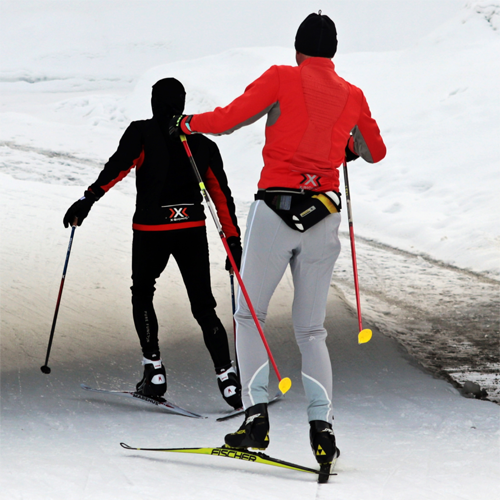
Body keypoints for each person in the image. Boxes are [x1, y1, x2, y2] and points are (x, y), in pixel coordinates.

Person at [169, 12, 386, 466]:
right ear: (333, 53)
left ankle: (256, 421)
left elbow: (229, 120)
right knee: (311, 329)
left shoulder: (282, 78)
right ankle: (322, 428)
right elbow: (374, 151)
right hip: (323, 215)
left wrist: (188, 123)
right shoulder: (353, 94)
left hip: (275, 212)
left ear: (298, 49)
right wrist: (345, 146)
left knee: (250, 316)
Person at [63, 78, 243, 410]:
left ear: (154, 103)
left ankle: (154, 373)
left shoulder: (141, 133)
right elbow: (221, 196)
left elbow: (116, 169)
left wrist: (86, 201)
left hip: (151, 230)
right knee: (204, 306)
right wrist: (233, 241)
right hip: (191, 227)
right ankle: (228, 380)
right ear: (182, 103)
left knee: (143, 293)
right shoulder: (202, 144)